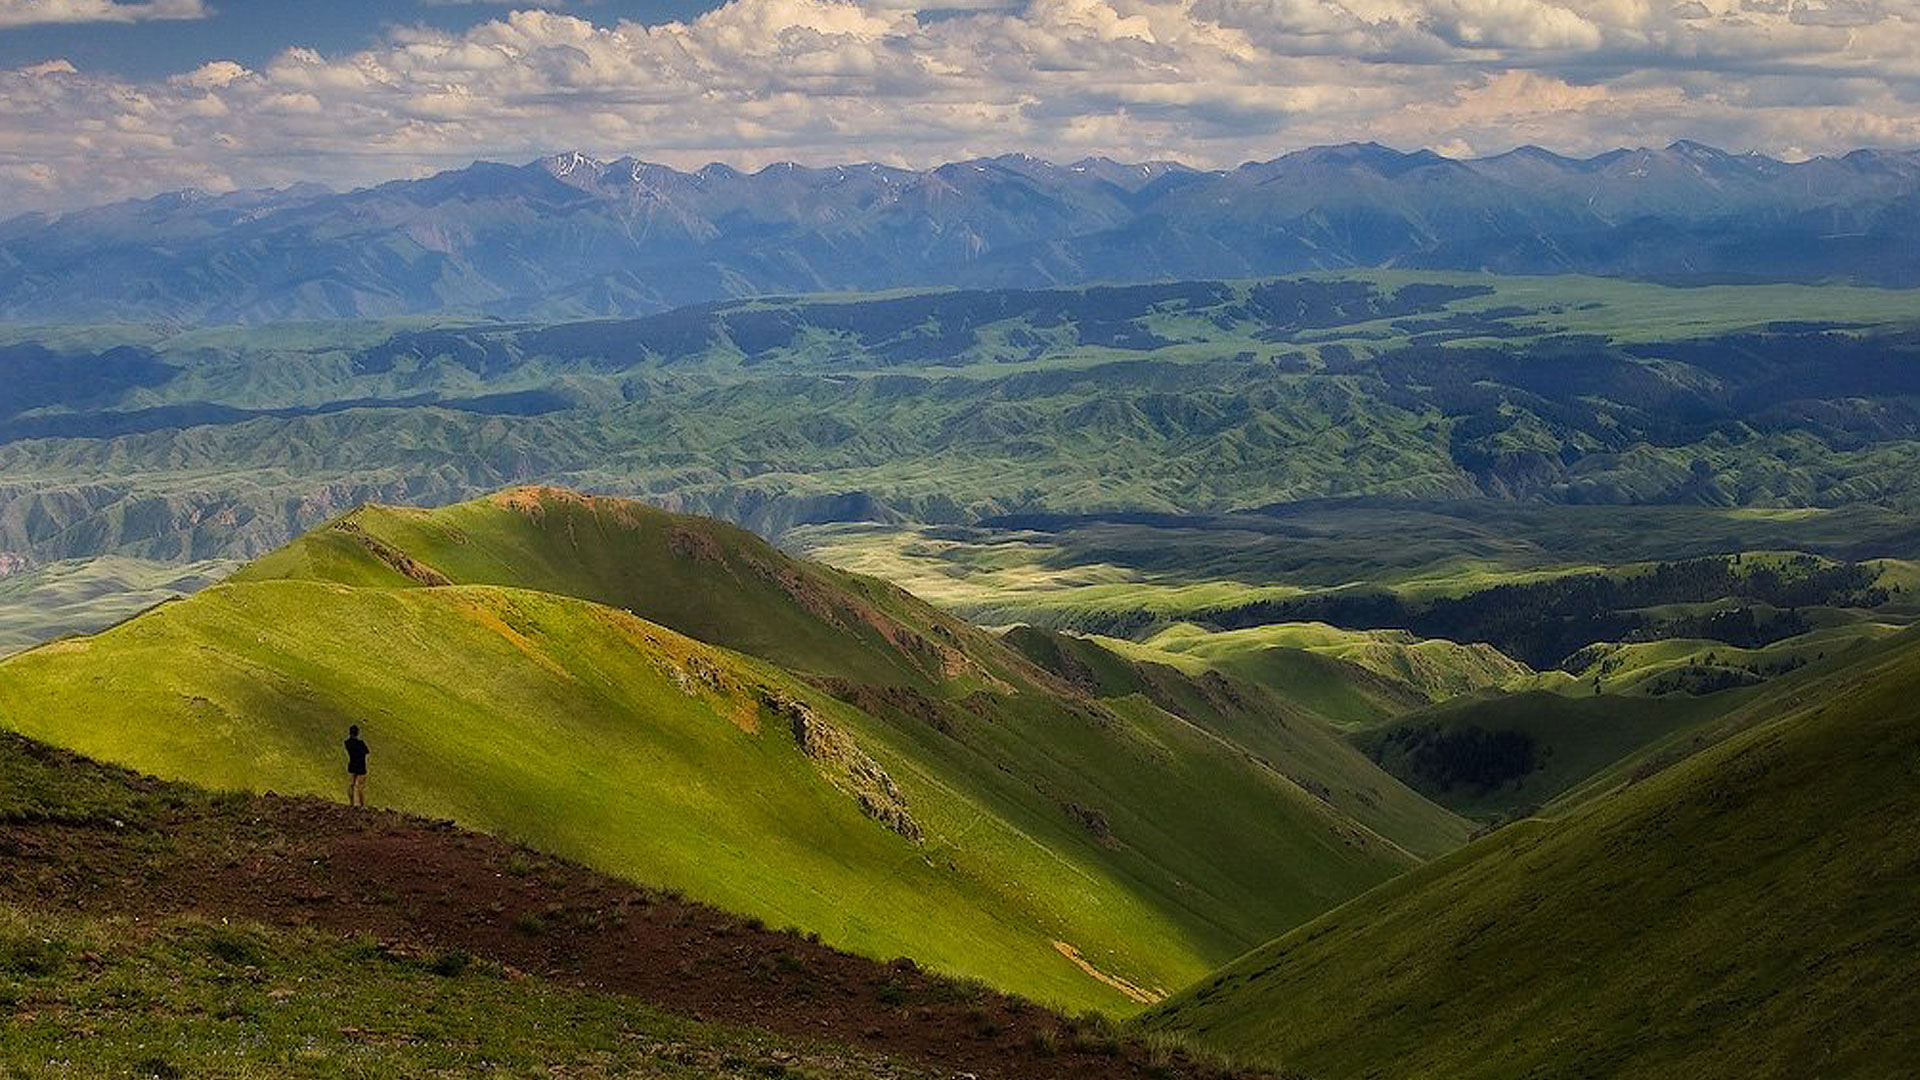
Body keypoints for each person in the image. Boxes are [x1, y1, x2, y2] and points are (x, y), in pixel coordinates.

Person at [344, 724, 370, 807]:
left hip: (352, 765)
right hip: (361, 766)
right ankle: (362, 805)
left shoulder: (347, 743)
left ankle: (351, 803)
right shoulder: (360, 743)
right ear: (357, 733)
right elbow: (367, 752)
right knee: (360, 786)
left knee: (352, 784)